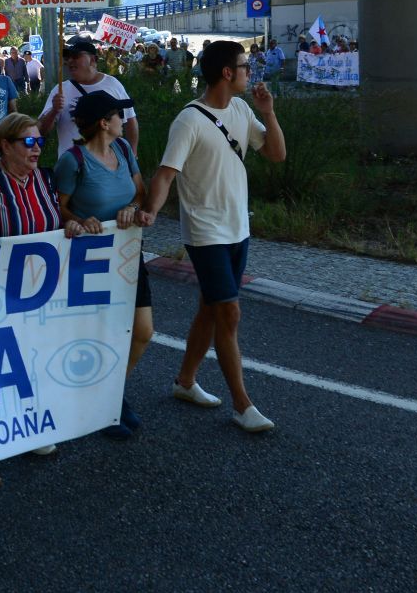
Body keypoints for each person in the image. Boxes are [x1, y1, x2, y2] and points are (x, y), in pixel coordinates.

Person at [140, 40, 287, 433]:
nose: (249, 71)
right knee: (229, 311)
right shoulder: (188, 120)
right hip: (206, 233)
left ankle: (185, 381)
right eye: (244, 65)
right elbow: (166, 173)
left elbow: (276, 154)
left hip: (239, 227)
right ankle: (243, 405)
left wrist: (268, 114)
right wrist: (151, 211)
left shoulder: (240, 108)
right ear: (227, 72)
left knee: (210, 305)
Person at [0, 113, 81, 455]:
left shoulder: (43, 178)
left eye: (40, 142)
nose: (37, 149)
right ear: (5, 145)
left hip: (44, 286)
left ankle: (33, 421)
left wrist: (76, 224)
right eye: (29, 142)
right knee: (6, 361)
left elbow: (55, 216)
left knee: (38, 352)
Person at [53, 91, 151, 440]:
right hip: (91, 261)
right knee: (102, 335)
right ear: (103, 122)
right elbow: (58, 208)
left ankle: (109, 392)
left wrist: (133, 207)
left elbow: (140, 192)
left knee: (142, 331)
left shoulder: (124, 151)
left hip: (126, 252)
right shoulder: (72, 160)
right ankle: (102, 403)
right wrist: (80, 219)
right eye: (119, 116)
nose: (125, 121)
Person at [39, 39, 139, 153]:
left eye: (76, 56)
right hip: (74, 166)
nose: (70, 61)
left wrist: (133, 155)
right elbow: (41, 131)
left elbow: (130, 121)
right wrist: (54, 111)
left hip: (110, 167)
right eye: (68, 57)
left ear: (92, 60)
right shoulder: (60, 90)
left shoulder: (113, 84)